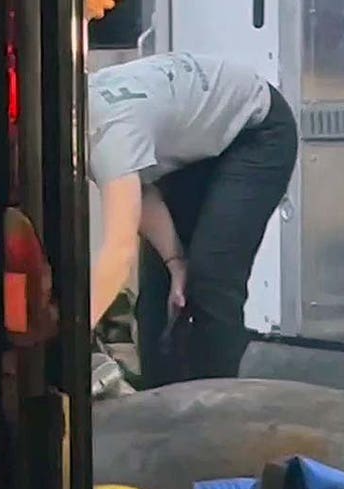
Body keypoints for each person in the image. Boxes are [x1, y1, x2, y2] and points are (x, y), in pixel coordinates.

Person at [86, 51, 298, 387]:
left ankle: (216, 415)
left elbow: (118, 251)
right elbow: (140, 192)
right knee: (160, 294)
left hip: (256, 132)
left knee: (211, 280)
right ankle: (159, 410)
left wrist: (72, 337)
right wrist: (174, 261)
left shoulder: (106, 131)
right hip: (196, 146)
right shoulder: (87, 119)